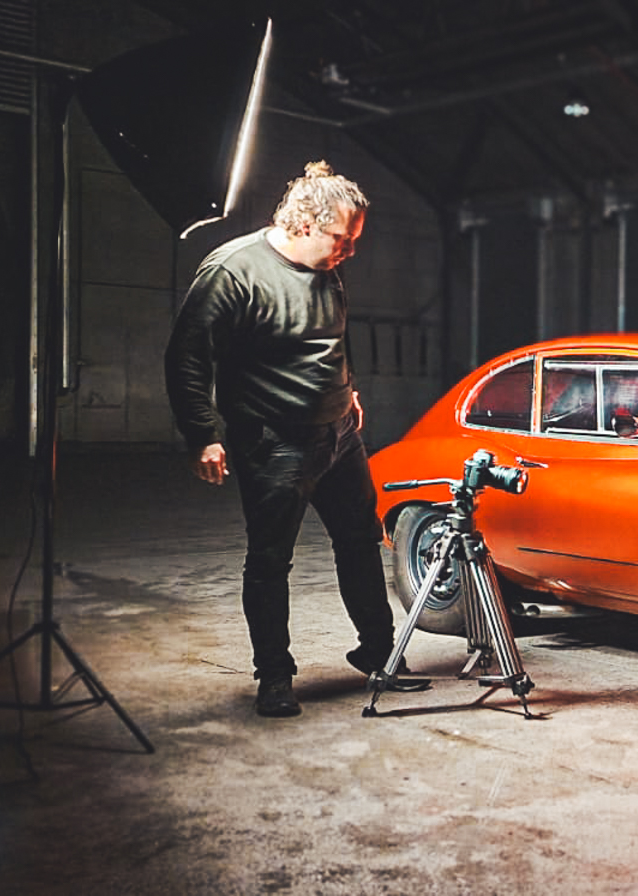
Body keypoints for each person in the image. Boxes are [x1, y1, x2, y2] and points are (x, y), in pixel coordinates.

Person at [165, 161, 416, 717]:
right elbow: (187, 357)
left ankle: (379, 656)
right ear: (304, 222)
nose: (349, 251)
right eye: (342, 239)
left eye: (354, 241)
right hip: (275, 442)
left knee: (360, 541)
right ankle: (274, 678)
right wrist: (202, 434)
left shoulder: (328, 266)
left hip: (340, 436)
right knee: (270, 559)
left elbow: (328, 336)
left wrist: (346, 390)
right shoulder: (233, 271)